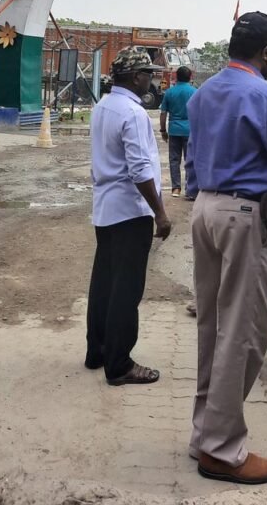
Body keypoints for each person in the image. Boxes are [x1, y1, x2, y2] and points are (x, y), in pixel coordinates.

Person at [186, 12, 267, 485]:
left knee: (213, 324)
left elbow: (191, 156)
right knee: (243, 331)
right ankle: (222, 450)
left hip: (205, 208)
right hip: (245, 215)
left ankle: (205, 434)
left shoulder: (204, 92)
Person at [85, 47, 172, 387]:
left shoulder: (103, 106)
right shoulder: (133, 114)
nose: (151, 78)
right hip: (130, 211)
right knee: (126, 289)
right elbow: (139, 169)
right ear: (136, 77)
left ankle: (98, 350)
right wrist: (160, 213)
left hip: (106, 208)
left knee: (104, 283)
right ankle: (119, 364)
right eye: (148, 73)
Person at [159, 65, 196, 197]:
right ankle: (190, 190)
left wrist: (163, 130)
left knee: (174, 160)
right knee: (190, 160)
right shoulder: (194, 92)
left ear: (176, 77)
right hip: (190, 131)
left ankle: (176, 188)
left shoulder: (170, 92)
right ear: (190, 77)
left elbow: (163, 113)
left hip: (174, 130)